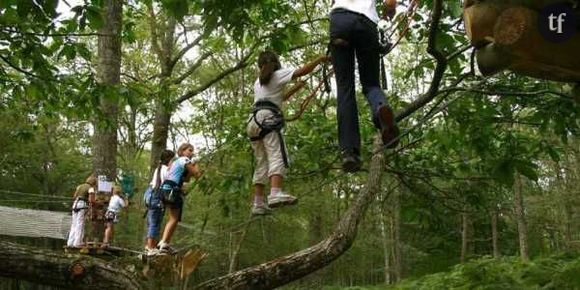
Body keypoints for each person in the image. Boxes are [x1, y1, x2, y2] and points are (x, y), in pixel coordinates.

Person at [247, 50, 329, 216]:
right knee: (277, 154)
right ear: (275, 62)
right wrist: (320, 59)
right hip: (268, 118)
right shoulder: (278, 74)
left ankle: (258, 203)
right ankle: (275, 193)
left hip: (253, 121)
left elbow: (279, 98)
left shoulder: (259, 81)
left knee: (261, 161)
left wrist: (295, 89)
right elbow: (302, 71)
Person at [329, 0, 400, 173]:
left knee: (345, 89)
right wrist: (388, 12)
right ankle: (380, 109)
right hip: (366, 24)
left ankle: (349, 152)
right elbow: (390, 3)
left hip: (340, 21)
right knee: (370, 84)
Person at [157, 143, 202, 252]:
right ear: (182, 151)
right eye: (189, 150)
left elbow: (186, 179)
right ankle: (163, 243)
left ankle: (164, 242)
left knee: (173, 218)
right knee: (174, 218)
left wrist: (193, 164)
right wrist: (197, 163)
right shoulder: (184, 160)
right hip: (172, 189)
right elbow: (197, 174)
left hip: (165, 188)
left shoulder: (176, 162)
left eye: (192, 151)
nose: (192, 153)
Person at [143, 149, 175, 256]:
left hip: (151, 194)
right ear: (169, 159)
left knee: (153, 221)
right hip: (157, 196)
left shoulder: (159, 168)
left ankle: (149, 246)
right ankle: (150, 247)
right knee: (155, 223)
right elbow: (169, 182)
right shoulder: (166, 170)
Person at [67, 174, 97, 247]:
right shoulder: (90, 188)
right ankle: (78, 242)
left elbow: (74, 196)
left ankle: (70, 242)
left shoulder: (80, 186)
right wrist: (97, 202)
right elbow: (91, 200)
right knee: (80, 224)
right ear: (93, 183)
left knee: (74, 223)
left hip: (75, 204)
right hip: (82, 205)